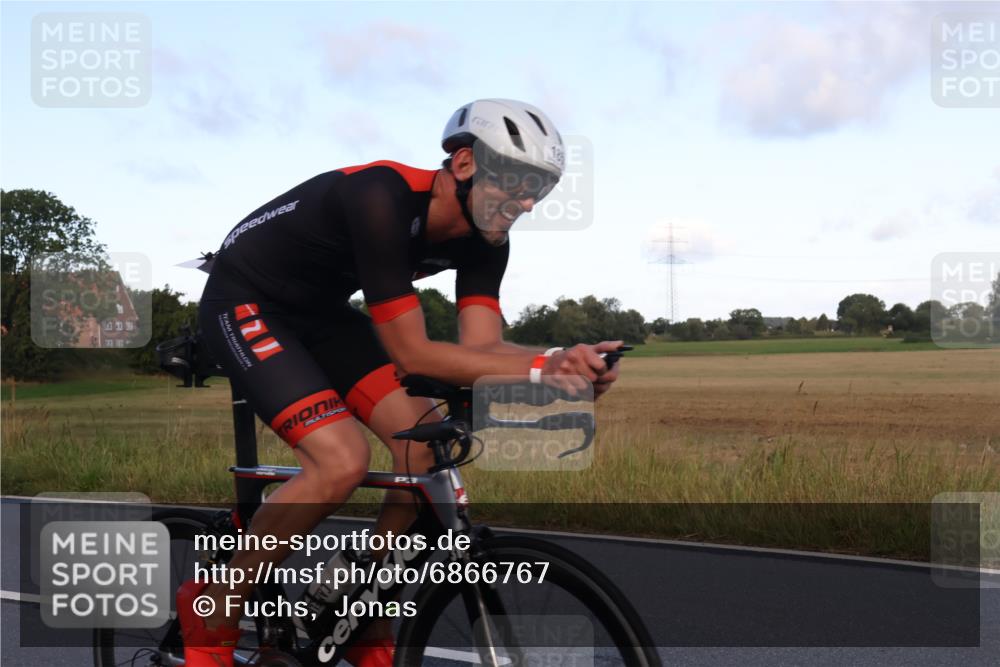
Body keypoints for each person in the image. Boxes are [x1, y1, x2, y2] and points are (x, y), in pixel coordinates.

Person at [178, 98, 623, 667]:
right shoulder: (381, 197)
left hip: (322, 315)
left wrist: (562, 360)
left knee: (425, 448)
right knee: (340, 460)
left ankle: (359, 606)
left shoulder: (488, 241)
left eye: (541, 188)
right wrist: (542, 368)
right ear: (464, 164)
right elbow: (413, 352)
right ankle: (215, 602)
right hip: (246, 302)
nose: (529, 202)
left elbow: (480, 349)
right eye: (519, 182)